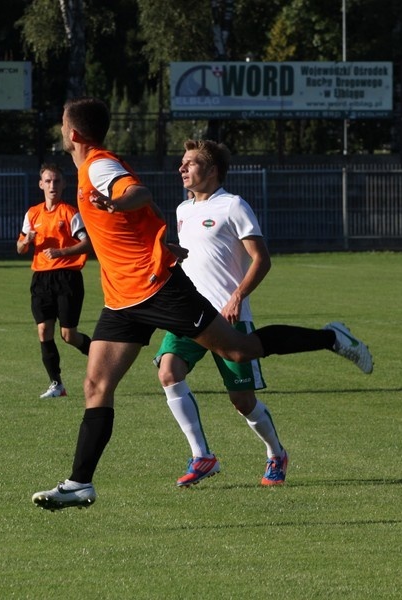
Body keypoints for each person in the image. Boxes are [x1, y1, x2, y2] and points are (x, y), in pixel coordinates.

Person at [32, 97, 373, 512]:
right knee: (96, 386)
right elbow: (151, 205)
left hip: (157, 288)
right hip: (122, 298)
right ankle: (80, 483)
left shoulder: (98, 167)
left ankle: (329, 337)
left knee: (238, 349)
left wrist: (119, 203)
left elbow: (136, 191)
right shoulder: (95, 171)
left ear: (73, 134)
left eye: (61, 125)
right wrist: (161, 235)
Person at [155, 139, 290, 488]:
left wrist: (236, 297)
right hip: (189, 313)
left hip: (230, 318)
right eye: (181, 163)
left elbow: (262, 259)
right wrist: (171, 252)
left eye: (190, 163)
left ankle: (276, 453)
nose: (182, 168)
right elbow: (191, 254)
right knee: (168, 371)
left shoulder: (233, 206)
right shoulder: (184, 210)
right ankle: (202, 456)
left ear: (212, 170)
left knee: (242, 401)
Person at [17, 163, 93, 398]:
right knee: (43, 330)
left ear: (64, 184)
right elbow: (20, 248)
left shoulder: (70, 213)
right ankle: (56, 384)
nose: (52, 185)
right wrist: (26, 241)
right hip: (41, 278)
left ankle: (101, 356)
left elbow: (87, 243)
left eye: (56, 181)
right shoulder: (32, 213)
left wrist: (62, 252)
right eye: (48, 181)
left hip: (67, 277)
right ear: (41, 184)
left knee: (68, 335)